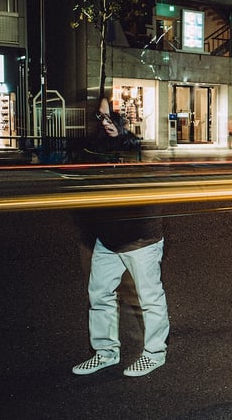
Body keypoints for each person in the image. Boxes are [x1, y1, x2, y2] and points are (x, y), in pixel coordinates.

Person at [72, 98, 170, 377]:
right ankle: (105, 352)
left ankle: (154, 353)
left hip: (140, 238)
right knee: (99, 294)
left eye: (111, 117)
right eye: (101, 118)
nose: (106, 123)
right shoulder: (95, 149)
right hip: (107, 238)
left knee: (149, 297)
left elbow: (151, 185)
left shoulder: (135, 148)